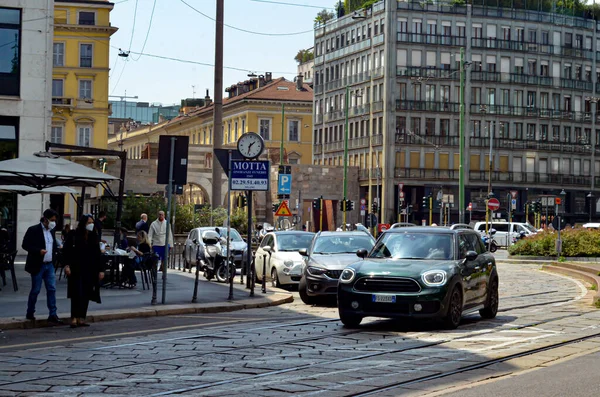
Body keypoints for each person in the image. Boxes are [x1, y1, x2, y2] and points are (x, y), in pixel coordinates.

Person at [63, 215, 104, 328]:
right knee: (76, 293)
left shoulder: (93, 235)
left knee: (86, 293)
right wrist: (67, 265)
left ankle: (81, 317)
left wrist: (101, 270)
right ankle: (74, 317)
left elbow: (97, 254)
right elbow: (66, 251)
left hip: (89, 269)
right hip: (76, 268)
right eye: (88, 222)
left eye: (92, 222)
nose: (91, 224)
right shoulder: (73, 234)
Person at [22, 209, 62, 324]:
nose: (54, 222)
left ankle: (53, 314)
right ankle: (30, 312)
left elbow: (52, 243)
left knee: (52, 289)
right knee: (36, 290)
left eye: (55, 220)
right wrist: (38, 251)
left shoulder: (52, 231)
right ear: (45, 219)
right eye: (52, 220)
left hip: (49, 264)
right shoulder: (33, 230)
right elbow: (25, 245)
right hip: (38, 264)